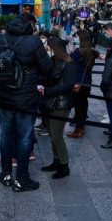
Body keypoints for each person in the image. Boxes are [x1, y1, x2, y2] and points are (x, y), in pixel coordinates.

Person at [0, 13, 53, 192]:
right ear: (28, 27)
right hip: (26, 99)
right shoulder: (33, 42)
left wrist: (0, 87)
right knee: (25, 138)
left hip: (4, 98)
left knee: (6, 136)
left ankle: (6, 174)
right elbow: (48, 68)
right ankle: (22, 179)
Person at [38, 37, 76, 179]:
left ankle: (64, 165)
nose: (47, 49)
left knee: (56, 135)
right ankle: (56, 161)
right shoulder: (54, 61)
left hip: (61, 103)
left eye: (48, 47)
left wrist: (47, 91)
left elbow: (68, 85)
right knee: (52, 133)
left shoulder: (68, 63)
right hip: (50, 102)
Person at [67, 30, 97, 138]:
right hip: (87, 81)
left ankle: (78, 129)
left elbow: (69, 62)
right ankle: (82, 127)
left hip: (77, 81)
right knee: (83, 103)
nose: (75, 38)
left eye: (77, 36)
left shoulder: (79, 51)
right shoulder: (90, 51)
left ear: (81, 38)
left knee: (78, 105)